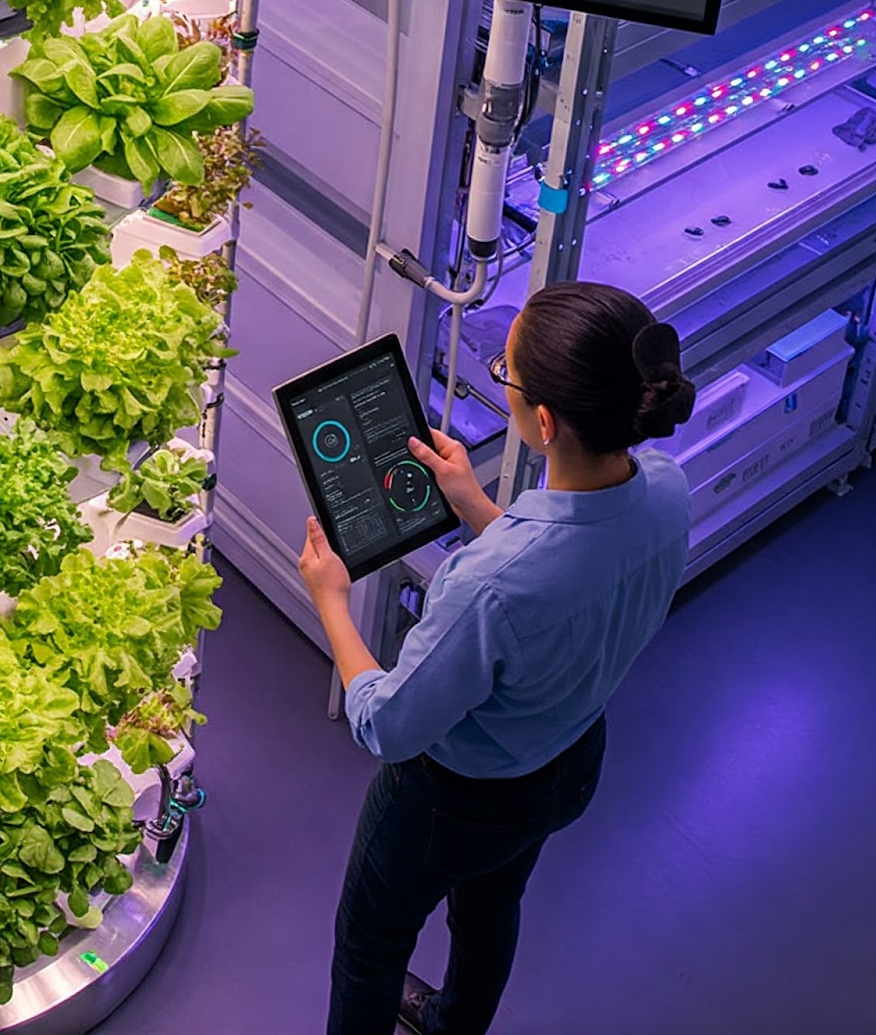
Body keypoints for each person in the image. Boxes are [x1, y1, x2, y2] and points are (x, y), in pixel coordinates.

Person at [299, 281, 697, 1035]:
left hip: (456, 801)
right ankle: (456, 1023)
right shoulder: (668, 491)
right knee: (490, 909)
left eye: (503, 374)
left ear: (541, 422)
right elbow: (567, 580)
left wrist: (331, 600)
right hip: (569, 761)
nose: (502, 384)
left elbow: (386, 725)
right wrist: (477, 509)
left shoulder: (492, 586)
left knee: (370, 946)